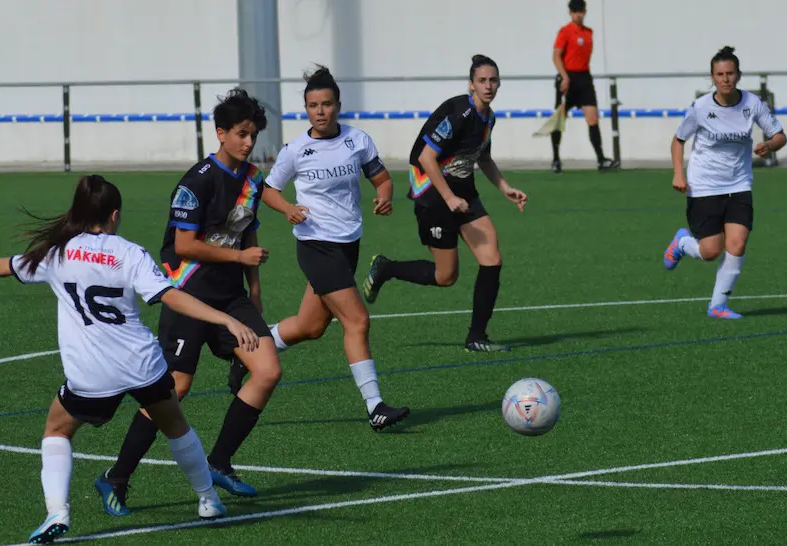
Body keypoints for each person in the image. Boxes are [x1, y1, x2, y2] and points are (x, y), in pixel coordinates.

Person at [0, 175, 260, 544]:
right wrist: (225, 318)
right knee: (176, 426)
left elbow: (6, 266)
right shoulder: (129, 252)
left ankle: (57, 512)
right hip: (142, 366)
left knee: (57, 430)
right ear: (114, 215)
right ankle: (208, 499)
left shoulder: (58, 252)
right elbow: (170, 296)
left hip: (91, 374)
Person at [94, 88, 280, 516]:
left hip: (230, 297)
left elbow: (246, 230)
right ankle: (116, 477)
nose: (249, 142)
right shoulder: (196, 182)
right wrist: (239, 257)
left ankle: (219, 461)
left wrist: (254, 287)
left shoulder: (250, 179)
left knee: (268, 370)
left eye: (253, 134)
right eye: (241, 134)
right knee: (174, 389)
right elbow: (185, 245)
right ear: (220, 133)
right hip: (189, 296)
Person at [228, 66, 411, 431]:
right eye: (313, 105)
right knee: (357, 320)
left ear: (338, 105)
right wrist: (289, 210)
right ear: (306, 108)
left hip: (348, 244)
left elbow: (382, 178)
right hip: (315, 245)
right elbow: (269, 190)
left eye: (326, 104)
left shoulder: (357, 141)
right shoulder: (296, 150)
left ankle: (247, 353)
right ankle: (375, 406)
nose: (320, 111)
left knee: (311, 327)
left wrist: (384, 197)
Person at [361, 55, 528, 353]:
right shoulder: (459, 113)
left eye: (493, 80)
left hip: (463, 190)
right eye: (482, 81)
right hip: (432, 192)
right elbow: (426, 158)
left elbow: (483, 157)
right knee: (445, 276)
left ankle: (477, 337)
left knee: (492, 258)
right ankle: (386, 268)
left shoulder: (488, 117)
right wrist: (448, 198)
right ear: (471, 85)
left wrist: (505, 188)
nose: (488, 86)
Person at [663, 46, 786, 319]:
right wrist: (678, 174)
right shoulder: (701, 107)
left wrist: (769, 144)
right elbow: (678, 140)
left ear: (738, 75)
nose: (725, 79)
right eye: (720, 74)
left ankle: (718, 306)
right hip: (704, 186)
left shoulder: (753, 104)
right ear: (712, 77)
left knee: (738, 243)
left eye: (730, 73)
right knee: (710, 251)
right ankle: (683, 243)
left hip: (739, 185)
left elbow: (779, 135)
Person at [550, 0, 619, 173]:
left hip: (584, 78)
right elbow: (556, 56)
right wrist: (564, 77)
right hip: (568, 78)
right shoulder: (565, 31)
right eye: (575, 12)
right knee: (559, 120)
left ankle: (601, 159)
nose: (578, 15)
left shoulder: (589, 32)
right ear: (570, 13)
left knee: (593, 119)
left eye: (581, 11)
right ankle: (556, 159)